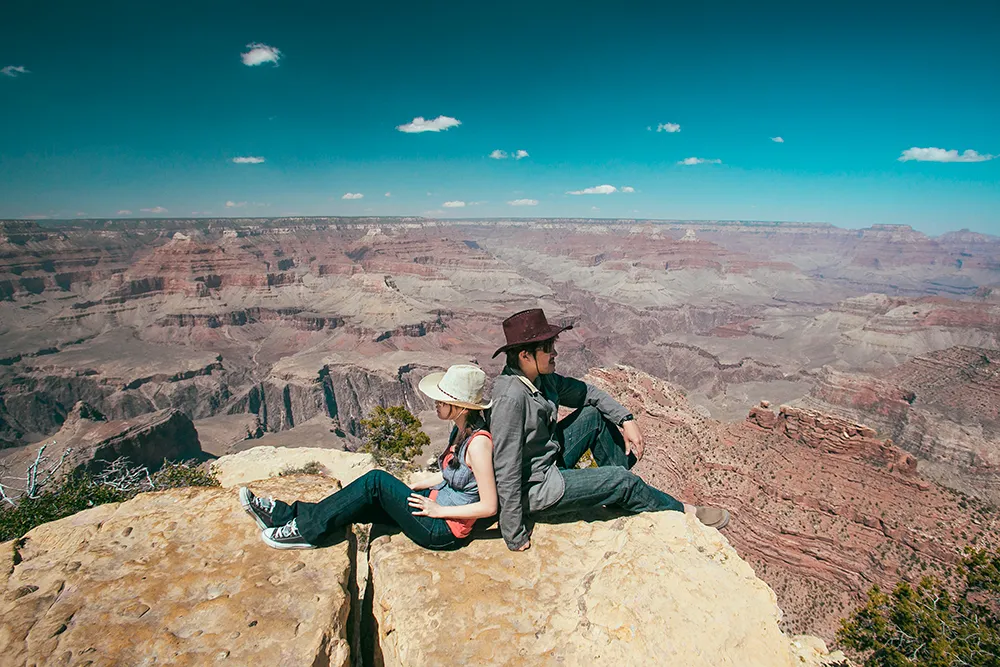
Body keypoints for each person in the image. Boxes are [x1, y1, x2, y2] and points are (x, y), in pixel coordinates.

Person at [489, 308, 730, 552]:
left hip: (549, 461)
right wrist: (514, 533)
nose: (555, 354)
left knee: (594, 416)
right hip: (538, 487)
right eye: (548, 348)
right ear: (525, 356)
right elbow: (506, 468)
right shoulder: (510, 399)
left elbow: (588, 394)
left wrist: (626, 419)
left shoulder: (541, 379)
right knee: (621, 480)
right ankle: (685, 511)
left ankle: (621, 494)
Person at [239, 364, 498, 550]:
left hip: (442, 531)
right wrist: (431, 481)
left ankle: (306, 533)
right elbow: (460, 477)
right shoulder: (461, 428)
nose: (436, 404)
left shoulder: (478, 444)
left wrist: (439, 510)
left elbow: (489, 505)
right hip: (432, 507)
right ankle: (285, 515)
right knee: (364, 501)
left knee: (375, 481)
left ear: (462, 407)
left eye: (442, 400)